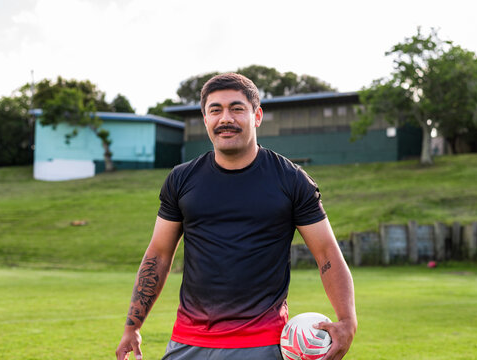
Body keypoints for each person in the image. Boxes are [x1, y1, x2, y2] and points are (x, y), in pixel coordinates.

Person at [116, 73, 357, 360]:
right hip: (187, 343)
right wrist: (133, 325)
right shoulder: (181, 179)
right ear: (205, 119)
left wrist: (347, 320)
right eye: (215, 110)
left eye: (237, 108)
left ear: (257, 116)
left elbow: (327, 253)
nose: (225, 118)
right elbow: (159, 254)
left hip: (262, 345)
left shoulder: (291, 180)